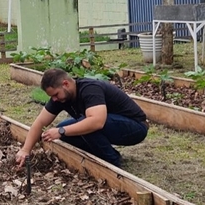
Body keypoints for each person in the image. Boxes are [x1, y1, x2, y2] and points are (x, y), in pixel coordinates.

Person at [15, 68, 149, 168]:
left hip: (135, 127)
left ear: (65, 84)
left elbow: (97, 122)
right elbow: (40, 122)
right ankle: (101, 154)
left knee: (79, 126)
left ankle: (112, 162)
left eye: (56, 94)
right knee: (65, 131)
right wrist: (25, 150)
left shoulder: (89, 89)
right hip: (111, 124)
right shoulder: (60, 99)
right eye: (52, 97)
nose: (54, 99)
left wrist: (62, 131)